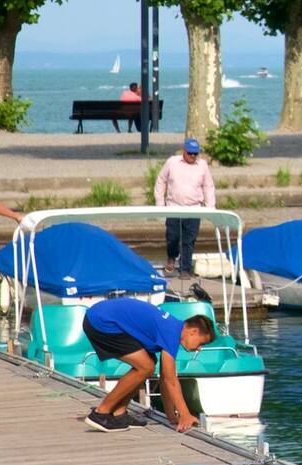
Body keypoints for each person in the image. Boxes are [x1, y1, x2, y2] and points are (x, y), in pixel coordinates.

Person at [80, 298, 216, 433]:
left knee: (149, 363)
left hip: (101, 317)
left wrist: (171, 415)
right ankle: (101, 413)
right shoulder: (171, 332)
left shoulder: (173, 328)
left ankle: (119, 413)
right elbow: (171, 381)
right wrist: (185, 415)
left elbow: (165, 378)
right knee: (145, 367)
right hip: (101, 321)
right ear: (193, 332)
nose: (199, 349)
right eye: (201, 343)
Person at [155, 139, 215, 279]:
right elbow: (161, 180)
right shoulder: (172, 162)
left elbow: (208, 186)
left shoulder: (202, 165)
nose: (193, 156)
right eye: (190, 153)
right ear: (184, 151)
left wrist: (210, 207)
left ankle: (185, 269)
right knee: (172, 237)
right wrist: (160, 203)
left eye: (196, 154)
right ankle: (171, 257)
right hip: (173, 207)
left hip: (194, 208)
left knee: (189, 240)